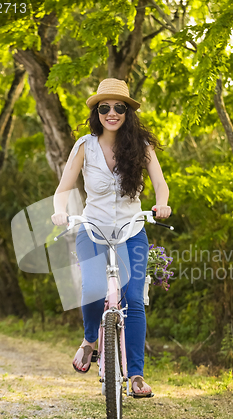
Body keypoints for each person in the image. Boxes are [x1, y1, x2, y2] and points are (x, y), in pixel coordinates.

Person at [51, 78, 171, 397]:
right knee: (92, 288)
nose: (112, 113)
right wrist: (60, 211)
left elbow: (161, 184)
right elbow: (63, 190)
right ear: (97, 112)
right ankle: (90, 341)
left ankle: (135, 376)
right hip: (93, 230)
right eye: (105, 107)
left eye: (119, 107)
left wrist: (162, 204)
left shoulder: (141, 147)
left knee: (133, 298)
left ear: (127, 112)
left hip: (131, 232)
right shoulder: (84, 146)